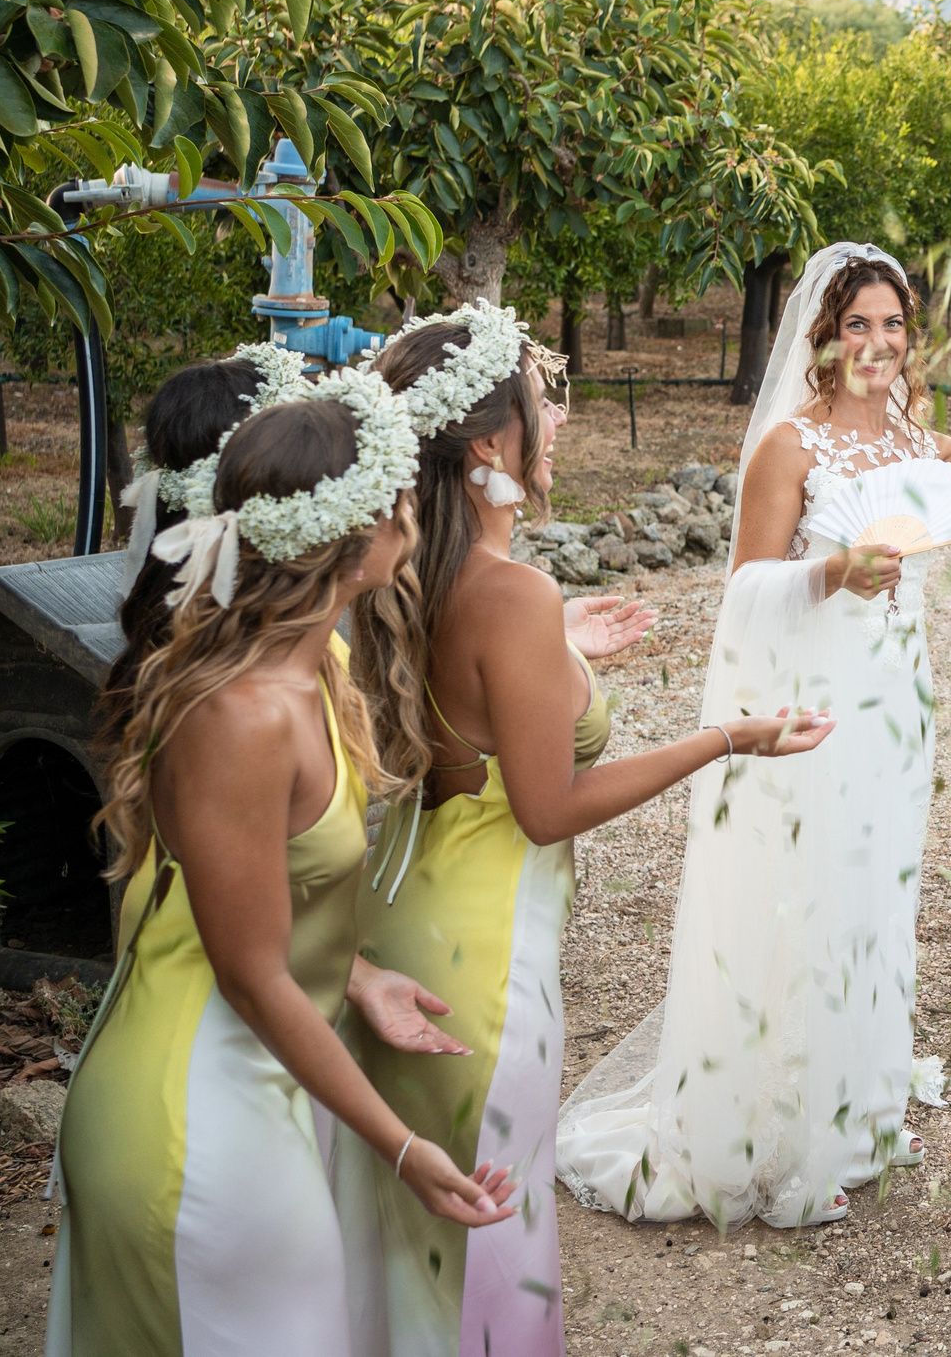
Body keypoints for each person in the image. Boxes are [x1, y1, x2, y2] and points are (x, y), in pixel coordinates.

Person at [557, 241, 951, 1229]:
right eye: (857, 324)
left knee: (871, 896)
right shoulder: (789, 449)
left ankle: (850, 1112)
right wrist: (835, 571)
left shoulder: (917, 443)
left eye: (893, 324)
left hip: (899, 702)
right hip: (813, 704)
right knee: (801, 895)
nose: (879, 342)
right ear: (823, 336)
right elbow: (742, 591)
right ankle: (773, 1117)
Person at [335, 303, 831, 1355]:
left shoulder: (423, 572)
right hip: (484, 960)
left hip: (402, 922)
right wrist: (726, 738)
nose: (557, 417)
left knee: (412, 1261)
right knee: (491, 1247)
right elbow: (547, 806)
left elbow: (468, 696)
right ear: (488, 445)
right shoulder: (509, 593)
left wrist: (556, 642)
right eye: (540, 400)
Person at [48, 374, 517, 1356]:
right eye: (401, 497)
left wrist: (355, 970)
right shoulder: (244, 712)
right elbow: (252, 977)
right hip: (195, 1109)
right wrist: (403, 1144)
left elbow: (265, 891)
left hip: (263, 1089)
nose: (415, 513)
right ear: (359, 537)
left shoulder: (317, 661)